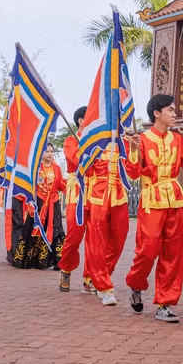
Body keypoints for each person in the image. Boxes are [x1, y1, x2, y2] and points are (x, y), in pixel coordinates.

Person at [124, 94, 183, 323]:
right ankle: (136, 283)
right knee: (147, 250)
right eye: (170, 110)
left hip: (175, 200)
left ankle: (165, 303)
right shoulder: (141, 139)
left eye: (174, 110)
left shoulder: (178, 139)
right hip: (151, 199)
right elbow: (132, 174)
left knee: (173, 253)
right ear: (157, 113)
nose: (174, 114)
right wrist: (132, 150)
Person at [84, 130, 132, 306]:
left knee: (119, 240)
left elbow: (133, 172)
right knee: (97, 242)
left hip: (119, 195)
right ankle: (104, 287)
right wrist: (85, 152)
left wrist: (134, 148)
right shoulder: (94, 141)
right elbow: (86, 172)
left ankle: (102, 275)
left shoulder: (125, 142)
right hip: (98, 195)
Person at [58, 106, 94, 293]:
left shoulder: (98, 140)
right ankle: (66, 269)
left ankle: (90, 278)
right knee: (74, 235)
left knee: (95, 237)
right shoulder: (71, 140)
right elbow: (75, 159)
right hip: (77, 190)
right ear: (81, 121)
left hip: (96, 189)